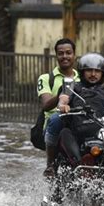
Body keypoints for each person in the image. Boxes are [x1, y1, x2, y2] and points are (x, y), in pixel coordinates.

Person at [37, 38, 80, 176]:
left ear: (74, 55)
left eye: (68, 53)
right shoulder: (45, 78)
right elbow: (46, 105)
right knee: (56, 119)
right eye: (61, 53)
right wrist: (63, 91)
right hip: (54, 127)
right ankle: (51, 164)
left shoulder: (83, 78)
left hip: (80, 124)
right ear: (56, 56)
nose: (65, 56)